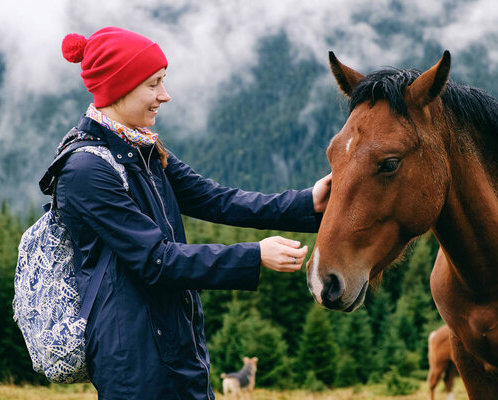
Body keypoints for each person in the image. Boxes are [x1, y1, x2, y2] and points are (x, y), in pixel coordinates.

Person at [47, 27, 331, 399]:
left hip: (176, 342)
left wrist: (307, 202)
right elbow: (156, 260)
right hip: (133, 360)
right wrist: (255, 254)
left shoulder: (141, 148)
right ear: (119, 87)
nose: (165, 96)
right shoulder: (85, 171)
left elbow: (215, 199)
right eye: (154, 84)